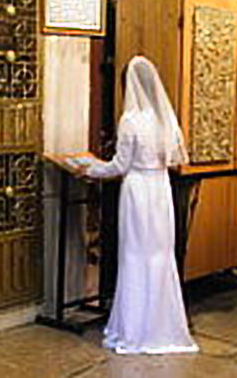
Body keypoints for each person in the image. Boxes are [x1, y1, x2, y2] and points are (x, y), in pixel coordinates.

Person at [80, 55, 198, 355]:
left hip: (137, 191)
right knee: (159, 256)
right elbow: (173, 159)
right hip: (160, 189)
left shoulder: (131, 120)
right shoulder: (164, 119)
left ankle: (133, 330)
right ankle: (163, 326)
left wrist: (89, 167)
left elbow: (119, 166)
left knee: (135, 256)